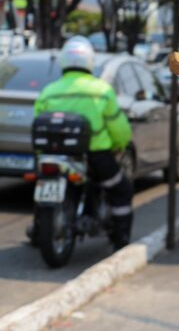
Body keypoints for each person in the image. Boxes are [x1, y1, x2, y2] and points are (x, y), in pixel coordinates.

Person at [34, 36, 134, 249]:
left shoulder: (48, 91)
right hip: (95, 156)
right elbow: (119, 129)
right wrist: (121, 144)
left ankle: (38, 230)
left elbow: (37, 121)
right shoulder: (102, 91)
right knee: (122, 190)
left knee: (42, 184)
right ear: (90, 61)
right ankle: (121, 240)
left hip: (55, 155)